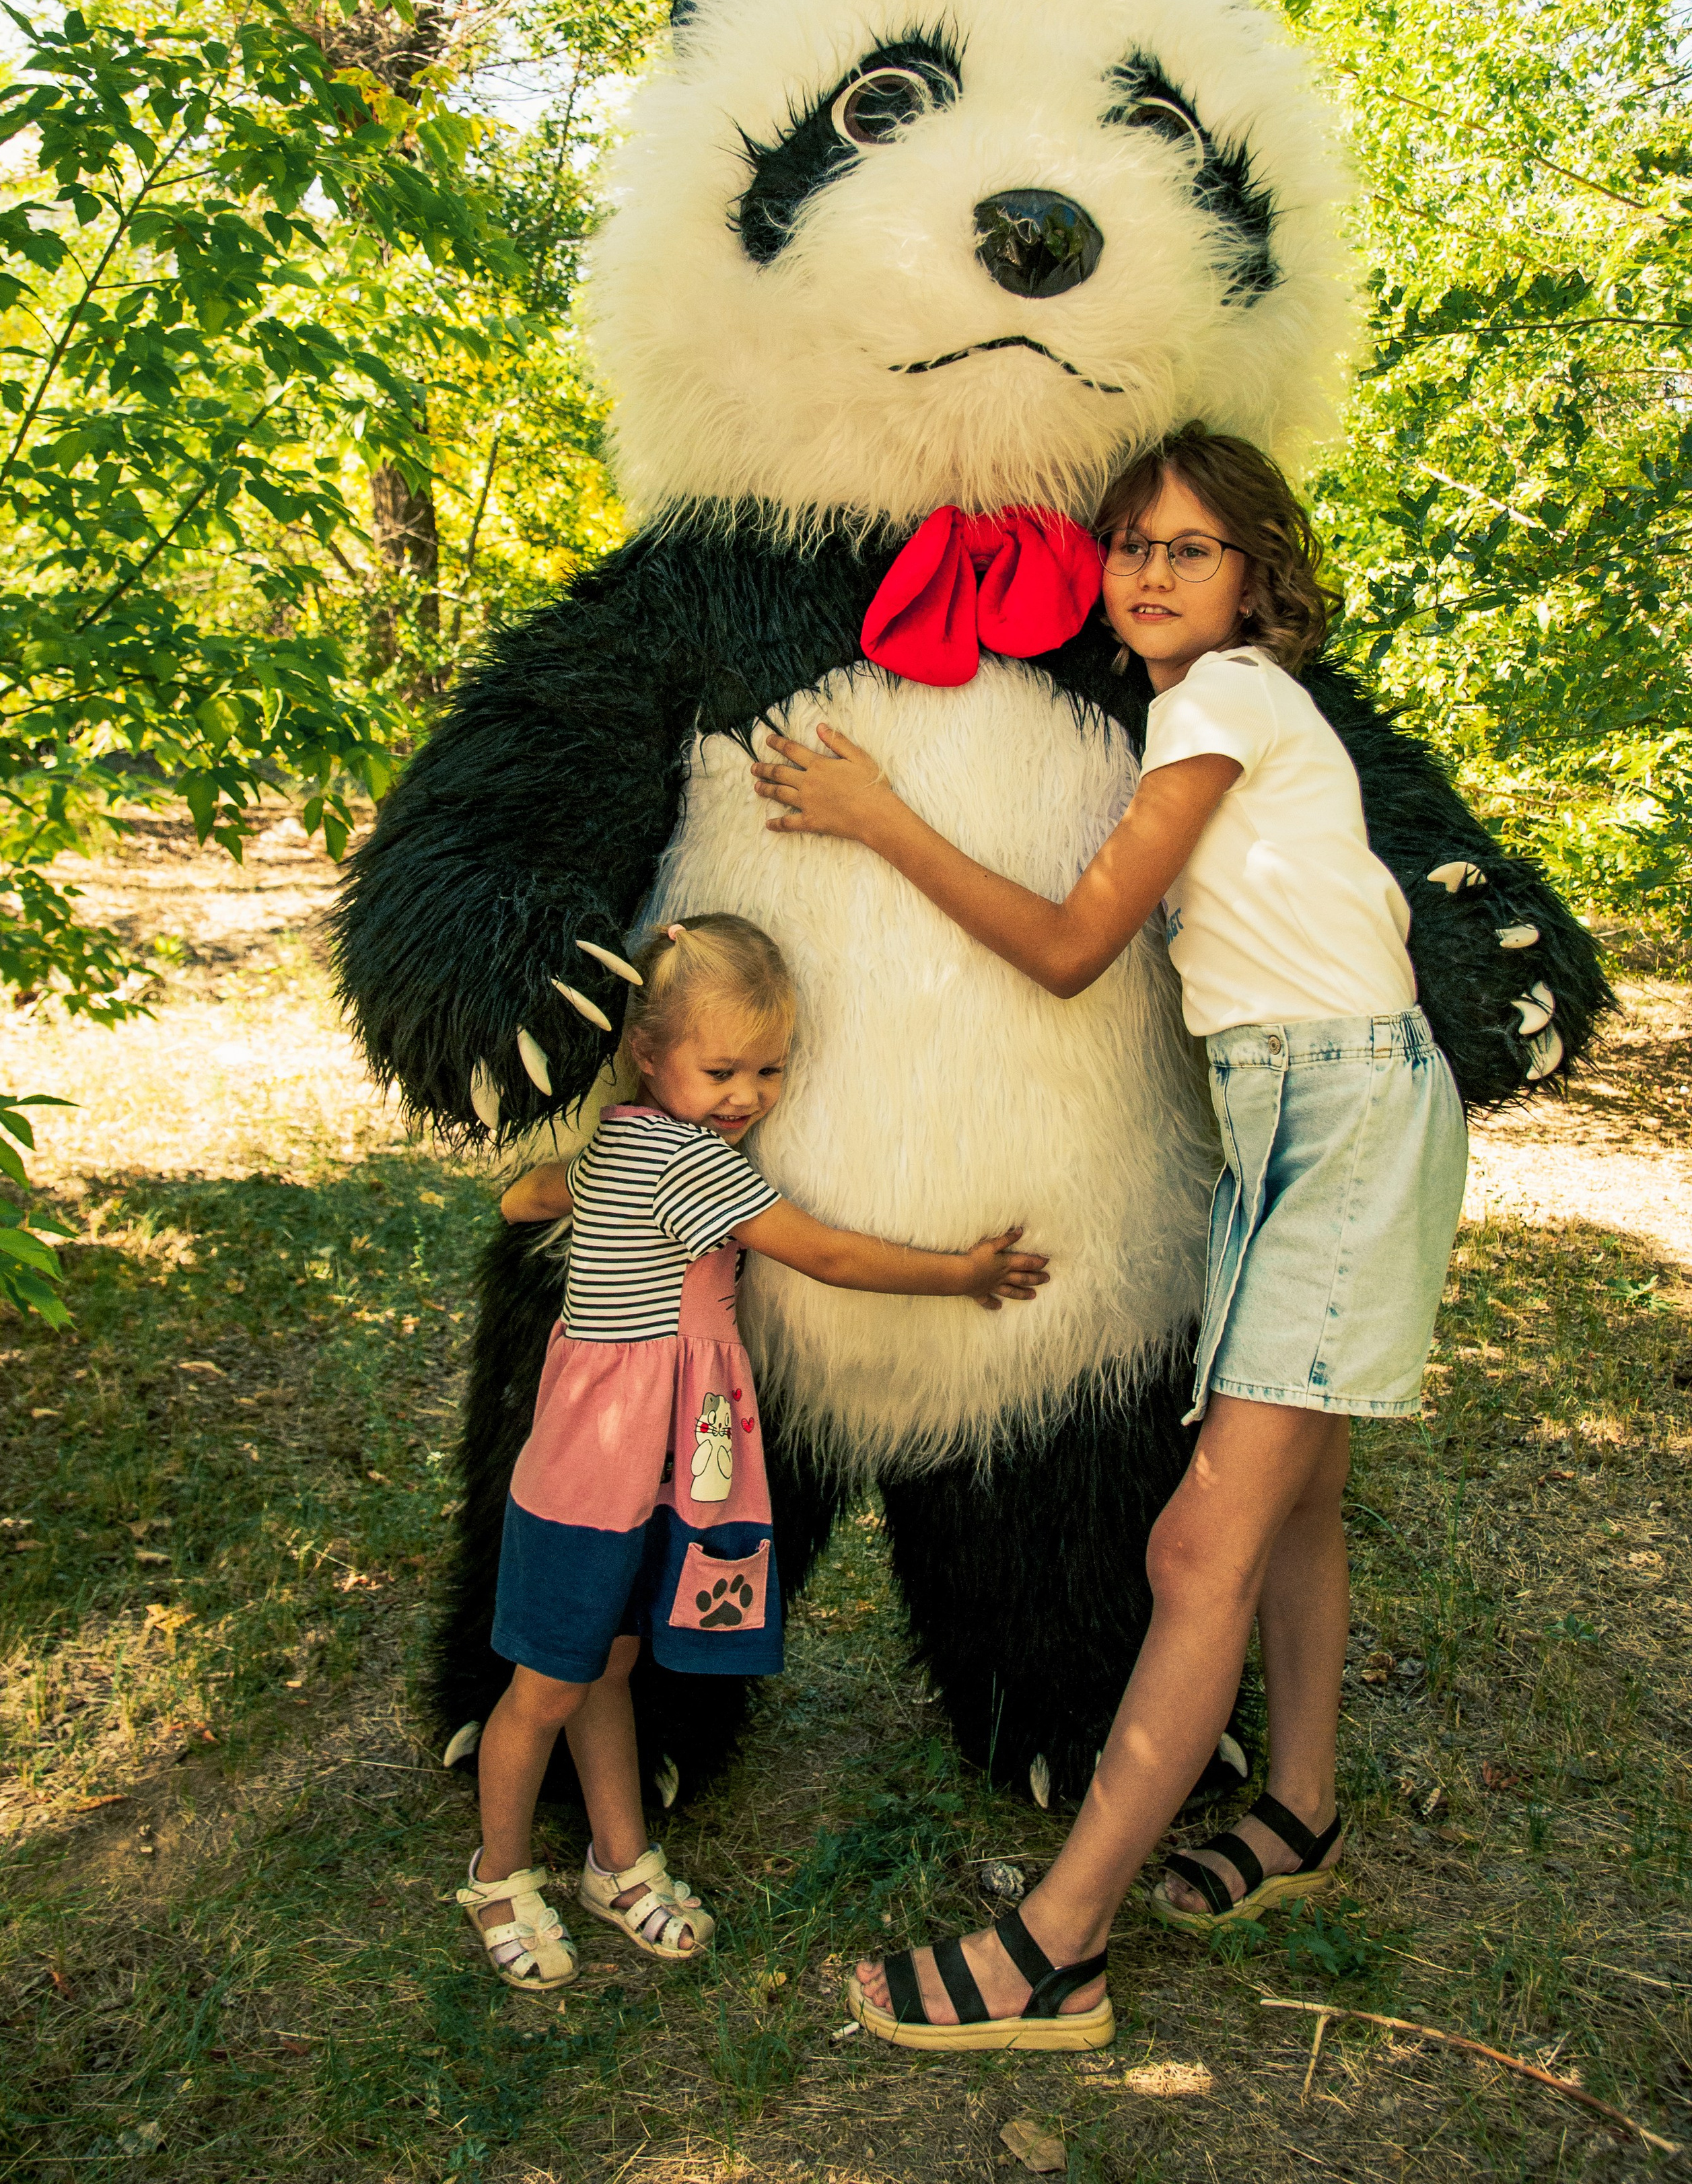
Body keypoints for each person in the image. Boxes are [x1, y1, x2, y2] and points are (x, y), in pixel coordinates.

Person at [752, 427, 1467, 2053]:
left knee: (1193, 1544)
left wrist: (877, 815)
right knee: (1298, 1502)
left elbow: (1077, 944)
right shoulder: (1205, 711)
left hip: (1337, 1116)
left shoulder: (1218, 702)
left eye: (1188, 546)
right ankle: (1295, 1811)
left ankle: (1052, 1947)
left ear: (1252, 573)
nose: (1148, 570)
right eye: (1129, 540)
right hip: (1300, 1106)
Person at [458, 911, 1051, 1994]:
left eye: (770, 1070)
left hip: (645, 1465)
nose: (747, 1096)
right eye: (721, 1067)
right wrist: (960, 1275)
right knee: (543, 1685)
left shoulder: (630, 1140)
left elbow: (528, 1196)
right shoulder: (691, 1165)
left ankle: (618, 1859)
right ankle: (499, 1875)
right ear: (649, 1052)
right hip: (598, 1474)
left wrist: (554, 1192)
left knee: (613, 1662)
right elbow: (822, 1252)